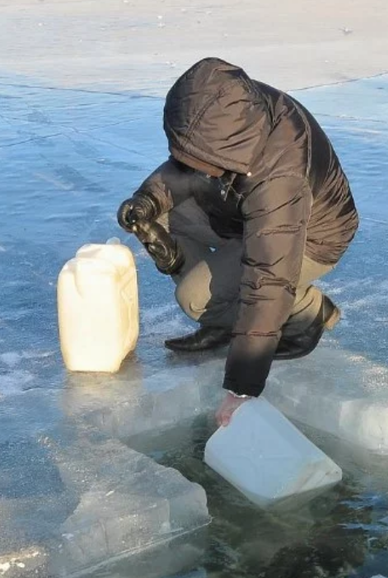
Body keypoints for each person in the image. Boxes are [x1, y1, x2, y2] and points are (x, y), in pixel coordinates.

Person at [118, 58, 359, 426]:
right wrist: (147, 200)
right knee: (161, 215)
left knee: (194, 298)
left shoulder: (281, 176)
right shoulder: (231, 111)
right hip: (241, 215)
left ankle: (308, 313)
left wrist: (243, 387)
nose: (188, 160)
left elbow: (268, 278)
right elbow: (184, 168)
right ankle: (223, 321)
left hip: (310, 237)